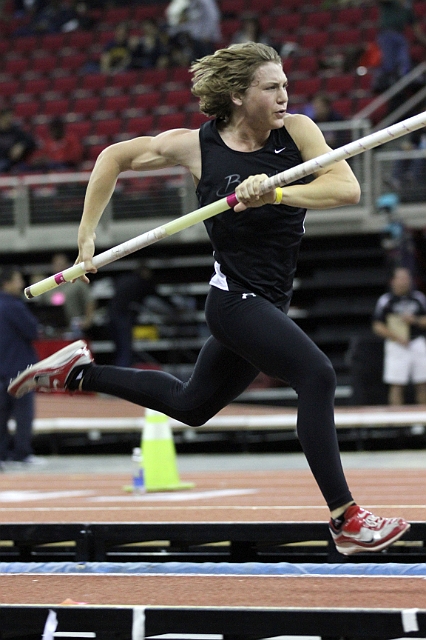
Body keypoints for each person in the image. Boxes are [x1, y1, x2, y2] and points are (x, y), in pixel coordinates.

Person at [8, 42, 410, 555]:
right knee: (317, 376)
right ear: (240, 96)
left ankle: (78, 372)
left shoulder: (298, 132)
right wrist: (87, 238)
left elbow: (344, 188)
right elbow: (115, 157)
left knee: (192, 405)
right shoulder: (196, 148)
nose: (286, 95)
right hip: (234, 302)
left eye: (286, 84)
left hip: (269, 300)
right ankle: (346, 519)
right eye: (272, 87)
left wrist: (277, 193)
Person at [0, 266, 40, 466]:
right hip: (18, 366)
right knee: (23, 413)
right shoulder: (14, 306)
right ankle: (22, 453)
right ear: (6, 283)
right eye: (17, 280)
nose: (21, 284)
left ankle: (2, 453)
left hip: (2, 367)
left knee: (1, 414)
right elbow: (33, 330)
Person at [372, 266, 426, 406]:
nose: (404, 281)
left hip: (416, 342)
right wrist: (396, 337)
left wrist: (415, 320)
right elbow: (377, 325)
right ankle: (398, 425)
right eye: (400, 278)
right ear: (393, 281)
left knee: (422, 383)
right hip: (396, 344)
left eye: (407, 278)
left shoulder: (418, 297)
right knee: (397, 384)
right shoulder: (386, 300)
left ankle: (421, 423)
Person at [107, 262, 158, 367]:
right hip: (123, 316)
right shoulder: (140, 282)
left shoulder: (124, 278)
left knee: (120, 349)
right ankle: (123, 375)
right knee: (125, 349)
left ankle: (119, 372)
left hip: (112, 314)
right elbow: (154, 294)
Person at [36, 253, 95, 338]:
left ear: (67, 266)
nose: (58, 268)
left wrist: (88, 320)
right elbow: (41, 305)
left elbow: (89, 301)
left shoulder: (77, 283)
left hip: (73, 327)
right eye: (56, 265)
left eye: (61, 265)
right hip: (53, 329)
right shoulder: (47, 286)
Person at [374, 0, 426, 92]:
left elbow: (415, 27)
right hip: (387, 33)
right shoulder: (392, 3)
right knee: (389, 63)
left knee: (404, 59)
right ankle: (384, 81)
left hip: (399, 34)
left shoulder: (407, 7)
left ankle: (405, 76)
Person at [0, 107, 37, 173]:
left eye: (11, 116)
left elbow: (32, 142)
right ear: (2, 117)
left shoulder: (15, 131)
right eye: (7, 116)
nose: (10, 119)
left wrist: (21, 145)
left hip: (15, 162)